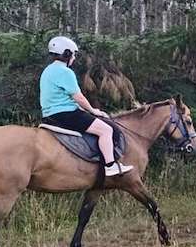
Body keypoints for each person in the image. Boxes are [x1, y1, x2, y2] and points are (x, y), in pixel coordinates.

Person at [40, 35, 133, 177]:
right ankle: (110, 165)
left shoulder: (48, 70)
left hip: (49, 114)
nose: (74, 58)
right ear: (67, 54)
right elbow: (78, 97)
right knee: (106, 130)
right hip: (66, 114)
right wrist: (93, 110)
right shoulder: (65, 72)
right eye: (73, 54)